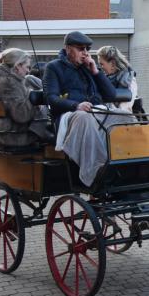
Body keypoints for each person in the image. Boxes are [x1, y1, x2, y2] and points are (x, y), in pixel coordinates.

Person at [43, 31, 135, 186]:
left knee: (125, 116)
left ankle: (127, 163)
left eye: (87, 49)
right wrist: (76, 105)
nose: (85, 53)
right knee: (84, 118)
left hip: (95, 111)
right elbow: (51, 98)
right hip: (70, 115)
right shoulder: (53, 67)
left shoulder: (88, 68)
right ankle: (96, 170)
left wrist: (96, 72)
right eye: (81, 49)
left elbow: (111, 95)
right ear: (68, 49)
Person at [0, 48, 36, 147]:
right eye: (27, 67)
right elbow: (21, 115)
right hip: (14, 136)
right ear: (18, 66)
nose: (28, 71)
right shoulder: (11, 82)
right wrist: (33, 100)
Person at [97, 45, 138, 113]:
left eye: (102, 64)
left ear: (113, 64)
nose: (101, 67)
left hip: (121, 118)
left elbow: (124, 109)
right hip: (104, 116)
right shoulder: (105, 79)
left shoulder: (128, 80)